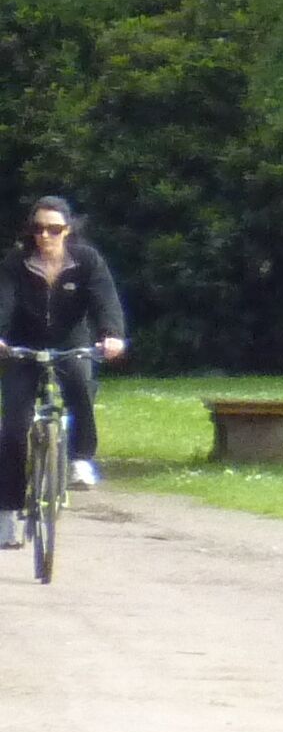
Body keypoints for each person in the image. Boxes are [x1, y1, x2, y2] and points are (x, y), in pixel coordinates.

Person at [2, 196, 126, 544]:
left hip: (71, 343)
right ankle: (8, 511)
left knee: (81, 384)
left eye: (54, 229)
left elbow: (106, 300)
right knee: (13, 429)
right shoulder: (16, 263)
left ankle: (80, 458)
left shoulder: (86, 261)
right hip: (22, 348)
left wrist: (112, 335)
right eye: (38, 228)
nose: (45, 236)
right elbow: (4, 301)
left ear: (67, 230)